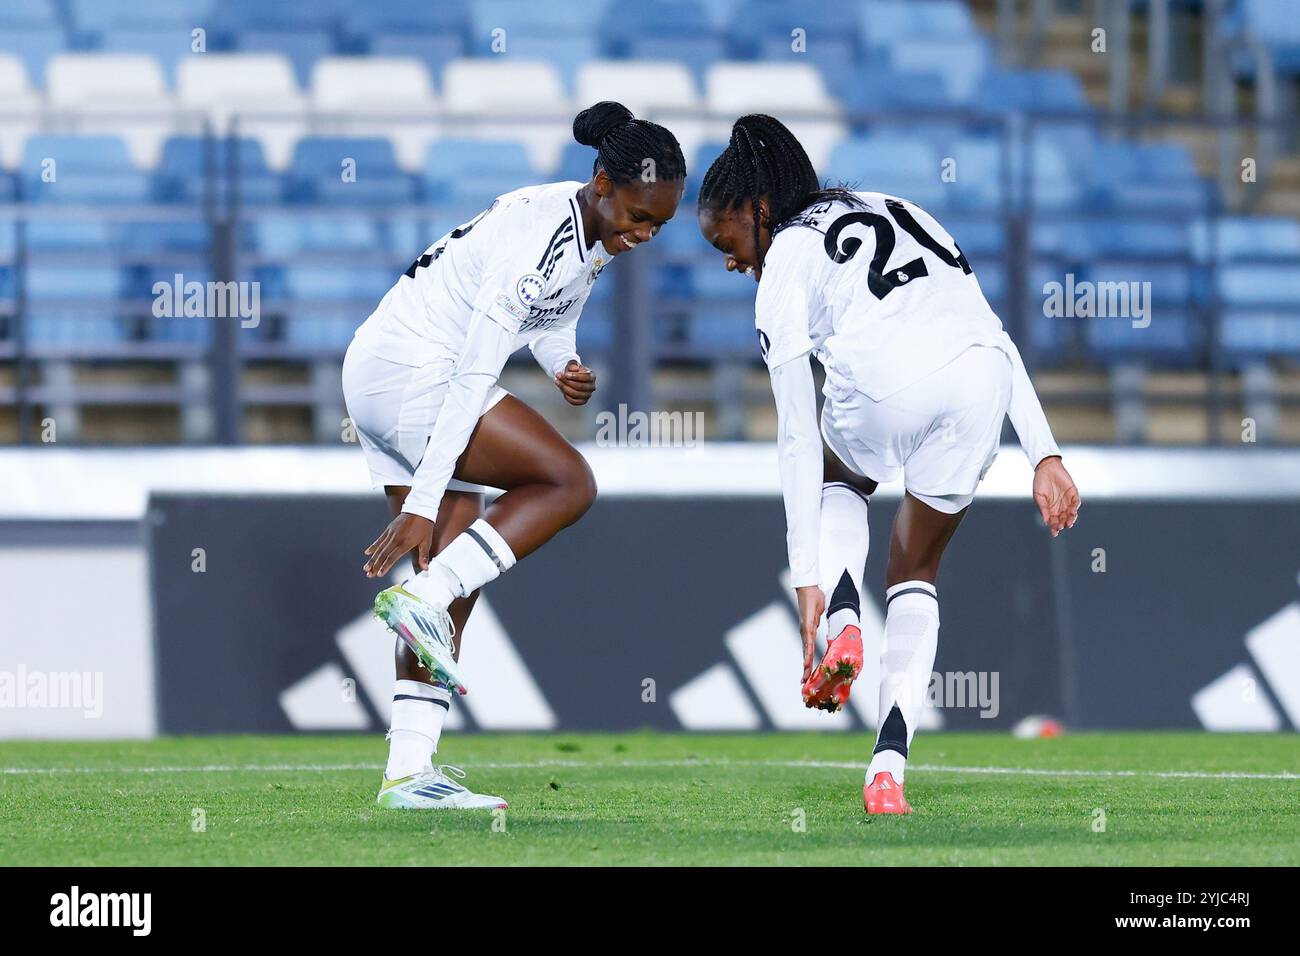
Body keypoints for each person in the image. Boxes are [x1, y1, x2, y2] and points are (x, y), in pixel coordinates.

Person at [697, 114, 1079, 815]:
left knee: (842, 473)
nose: (729, 259)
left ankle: (845, 611)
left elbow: (792, 434)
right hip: (978, 389)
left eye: (727, 241)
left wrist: (807, 575)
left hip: (884, 386)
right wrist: (1044, 452)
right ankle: (888, 768)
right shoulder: (900, 208)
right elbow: (989, 333)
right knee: (916, 571)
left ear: (758, 211)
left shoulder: (784, 258)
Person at [342, 101, 686, 809]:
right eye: (638, 216)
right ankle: (424, 594)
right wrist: (426, 501)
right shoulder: (540, 234)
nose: (645, 234)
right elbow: (472, 376)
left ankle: (408, 775)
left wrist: (565, 361)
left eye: (659, 224)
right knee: (567, 481)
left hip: (384, 370)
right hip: (416, 371)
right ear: (601, 183)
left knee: (446, 594)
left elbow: (550, 316)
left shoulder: (589, 229)